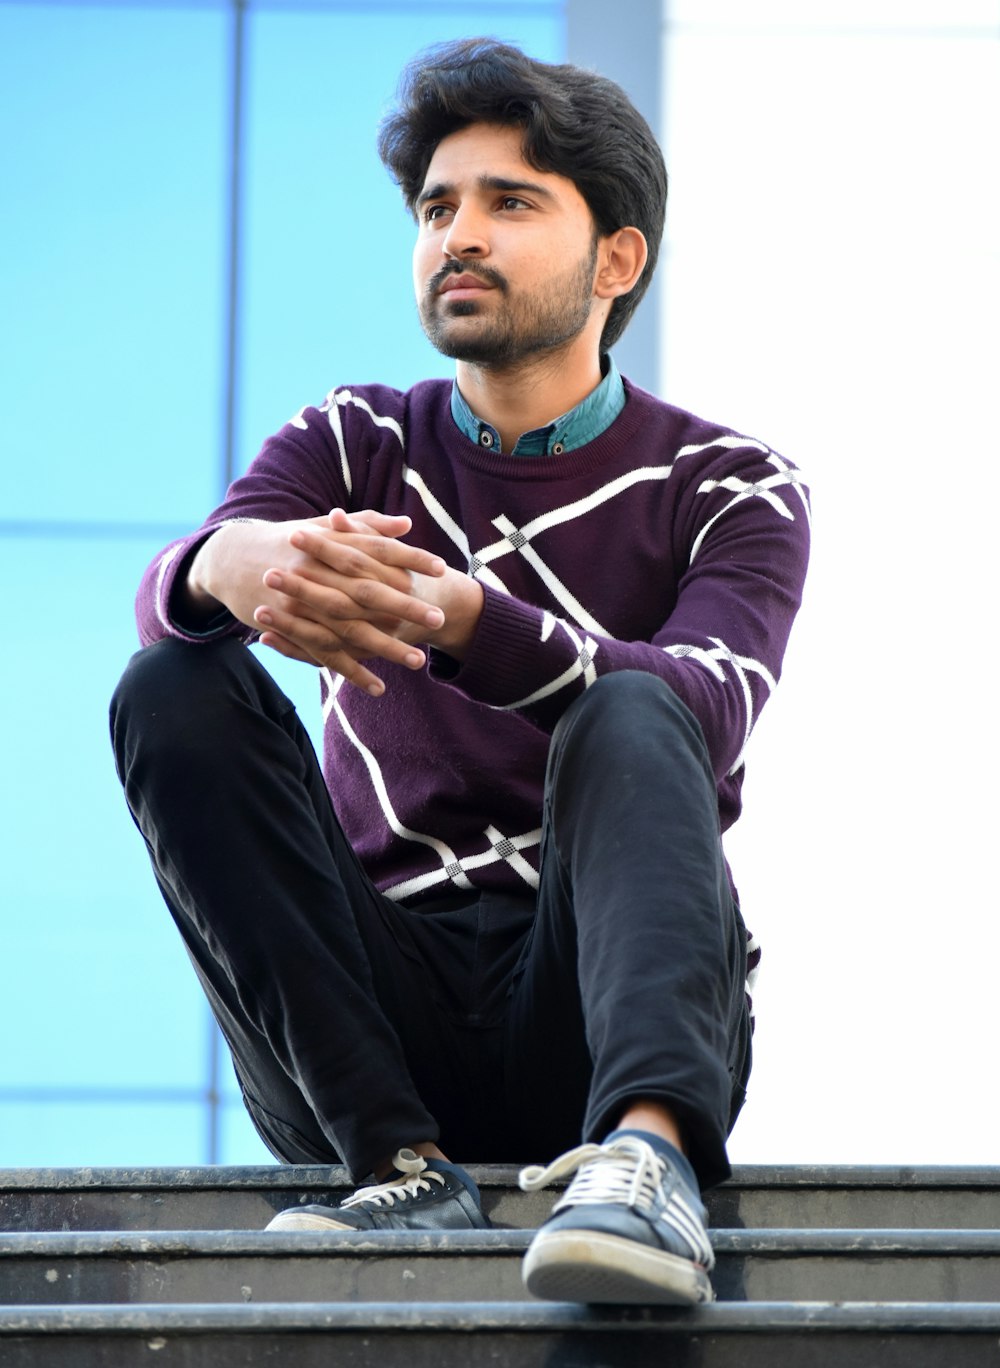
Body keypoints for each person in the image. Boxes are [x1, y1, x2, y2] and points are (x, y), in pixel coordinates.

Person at [111, 36, 809, 1307]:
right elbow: (182, 590)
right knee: (170, 684)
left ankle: (651, 1166)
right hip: (364, 1028)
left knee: (640, 706)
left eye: (510, 202)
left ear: (617, 258)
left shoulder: (729, 488)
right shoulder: (355, 435)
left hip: (599, 1003)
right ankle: (399, 1170)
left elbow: (709, 707)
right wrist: (233, 563)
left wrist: (463, 617)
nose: (457, 235)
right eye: (438, 207)